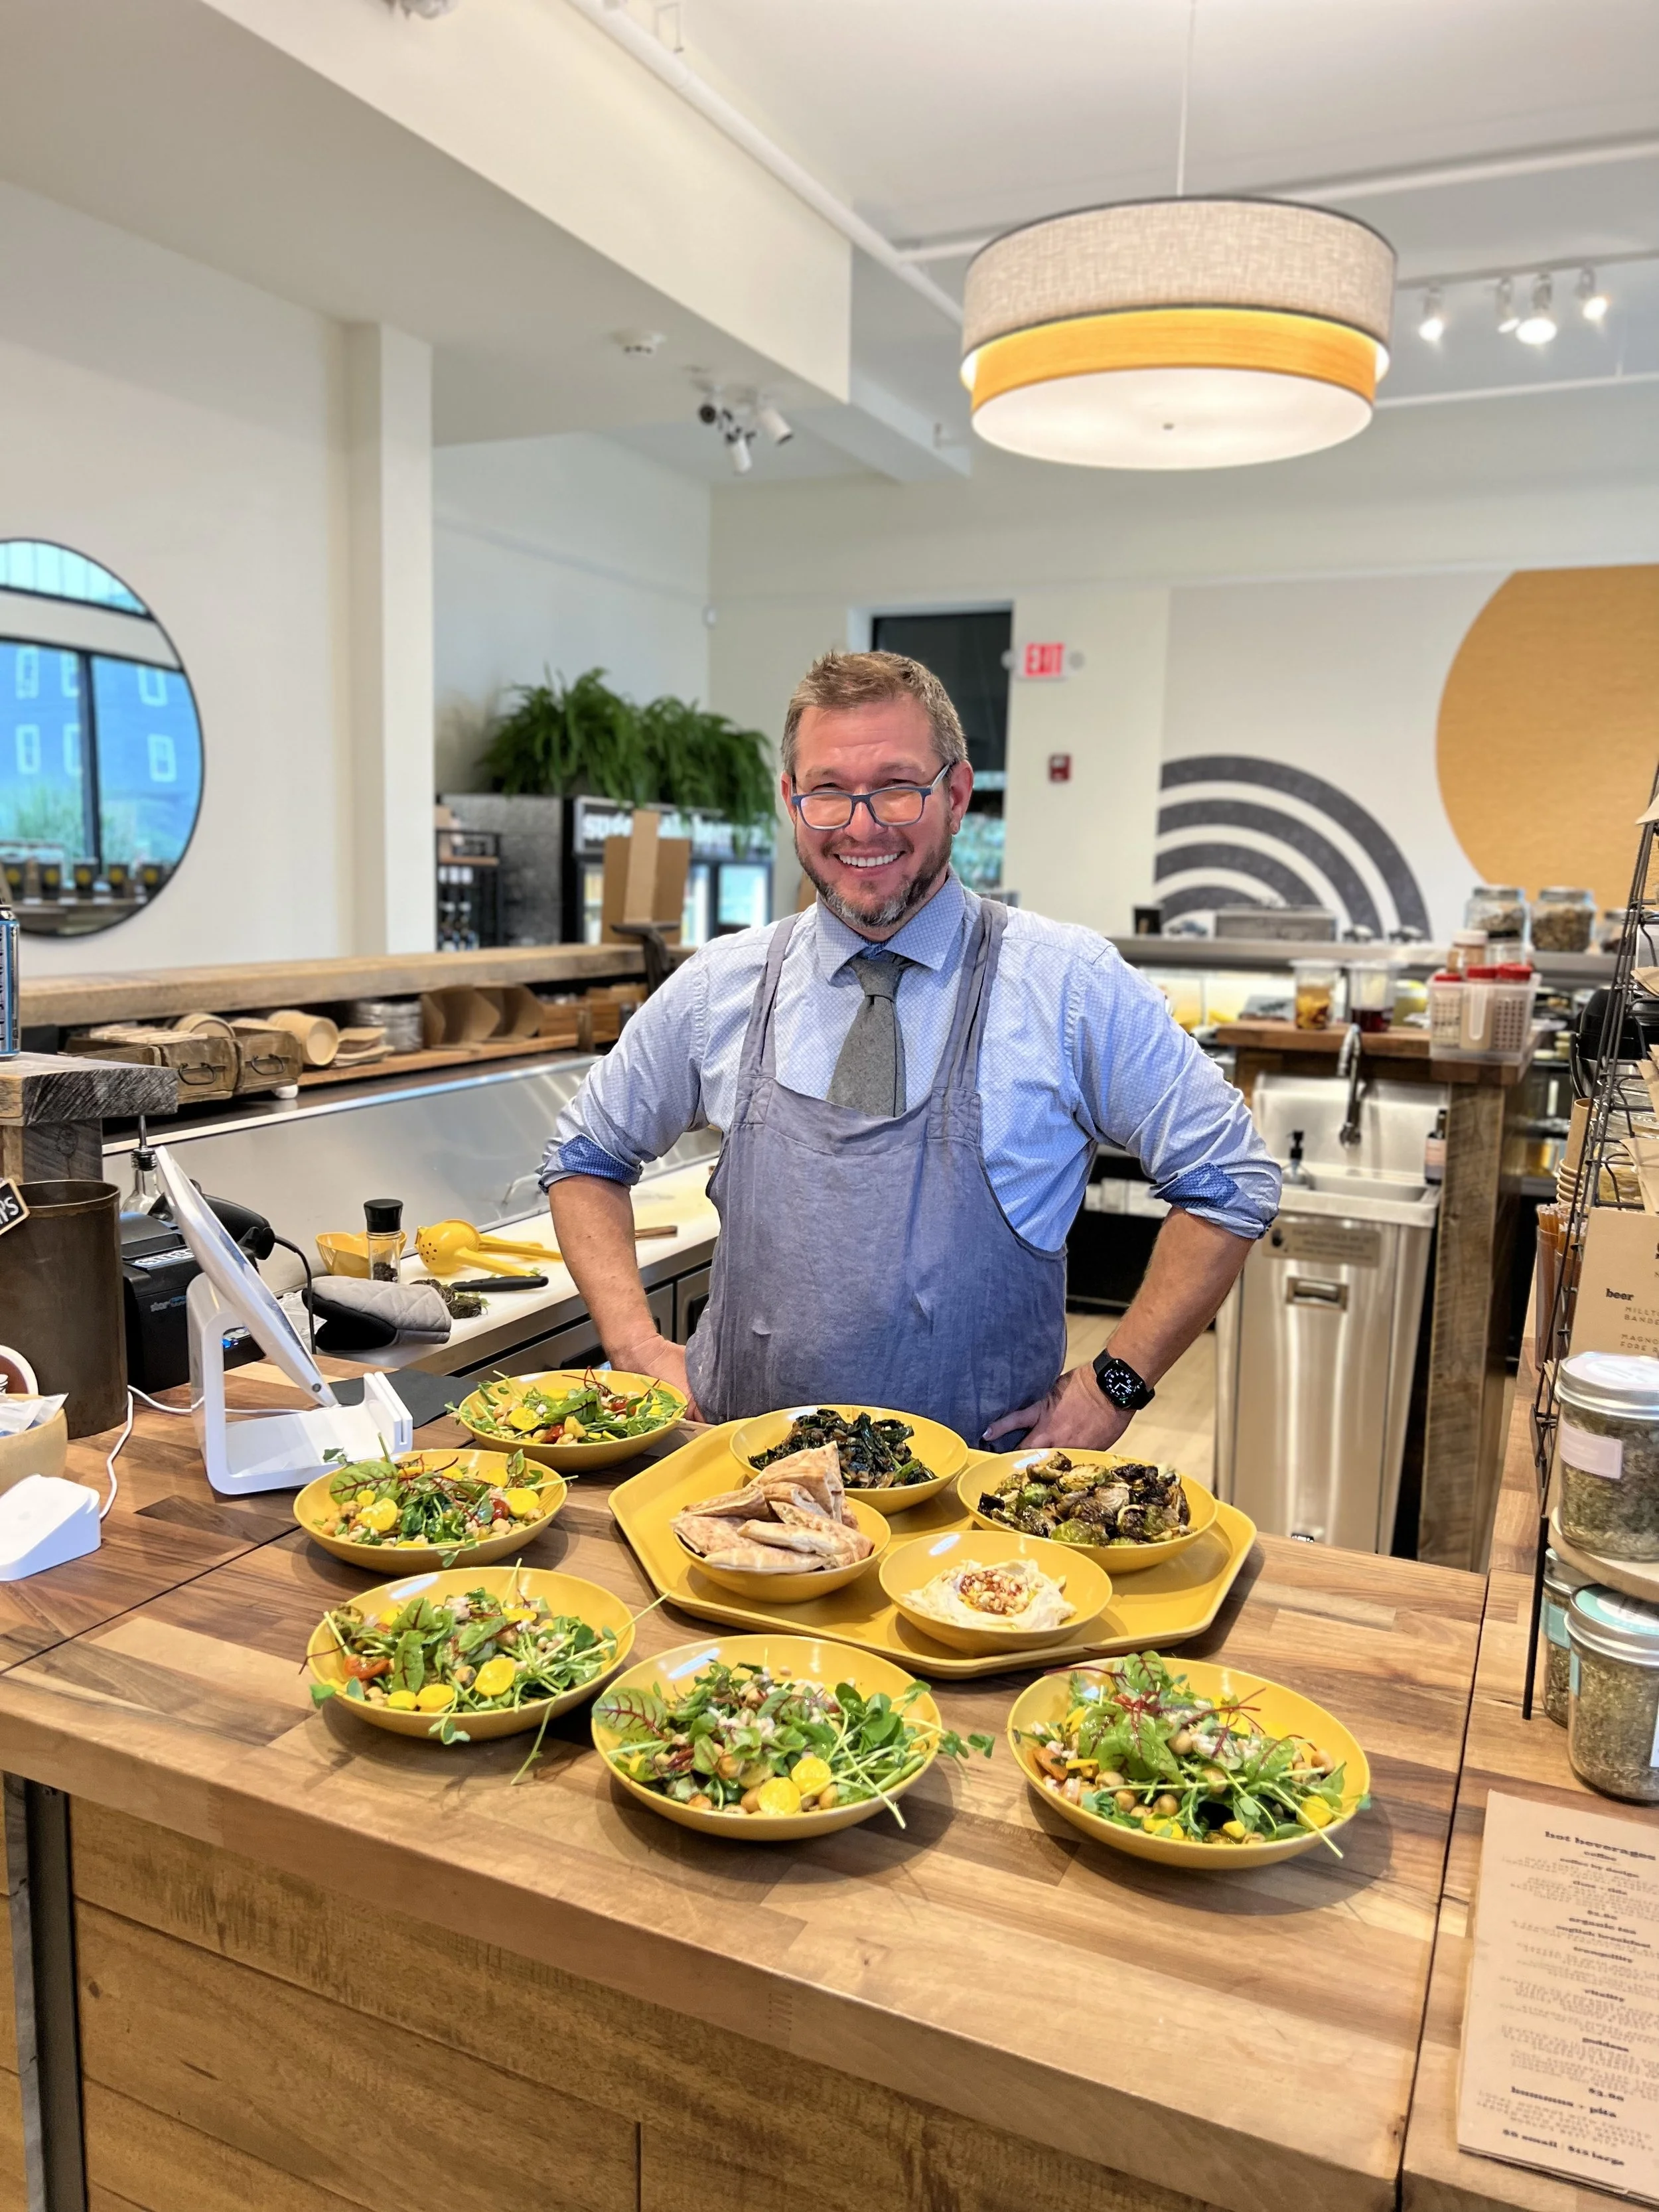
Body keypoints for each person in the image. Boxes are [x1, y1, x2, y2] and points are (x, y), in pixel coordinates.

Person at [544, 650, 1279, 1450]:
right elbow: (585, 1154)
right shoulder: (723, 982)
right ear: (792, 800)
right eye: (827, 792)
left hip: (971, 1521)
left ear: (955, 794)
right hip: (740, 1498)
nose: (861, 826)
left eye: (897, 787)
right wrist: (634, 1345)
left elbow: (1231, 1181)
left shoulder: (1066, 984)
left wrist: (1115, 1386)